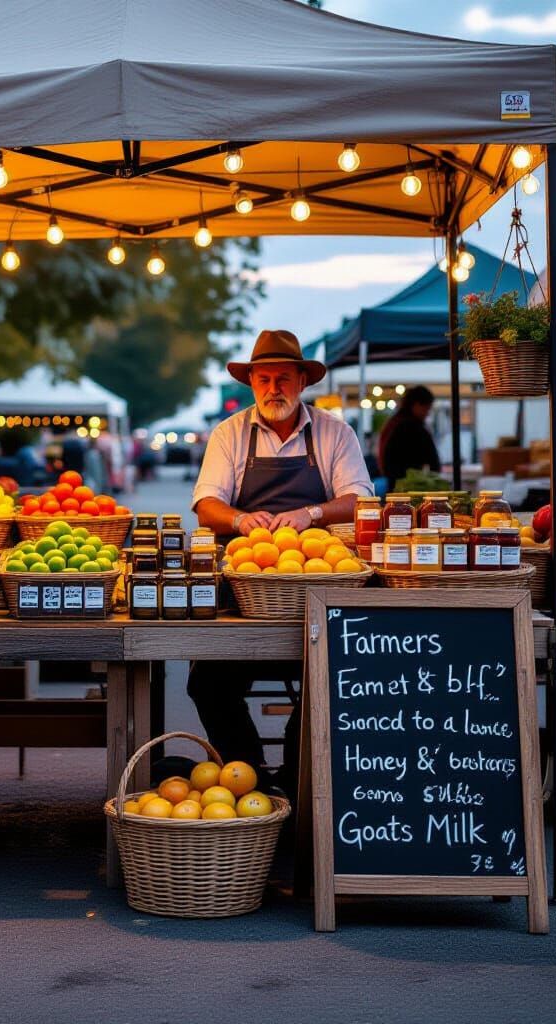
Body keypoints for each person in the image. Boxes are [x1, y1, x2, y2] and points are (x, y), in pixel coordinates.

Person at [188, 330, 373, 794]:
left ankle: (299, 778)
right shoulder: (229, 434)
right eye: (264, 378)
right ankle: (247, 775)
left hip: (321, 587)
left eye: (284, 379)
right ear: (251, 382)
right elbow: (206, 504)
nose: (274, 389)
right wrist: (240, 518)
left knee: (334, 678)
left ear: (302, 382)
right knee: (206, 682)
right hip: (247, 591)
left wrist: (310, 513)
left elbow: (361, 501)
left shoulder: (335, 432)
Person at [377, 385, 440, 490]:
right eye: (427, 409)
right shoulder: (413, 427)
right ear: (416, 405)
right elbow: (434, 462)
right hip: (411, 488)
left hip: (394, 486)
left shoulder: (393, 422)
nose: (427, 414)